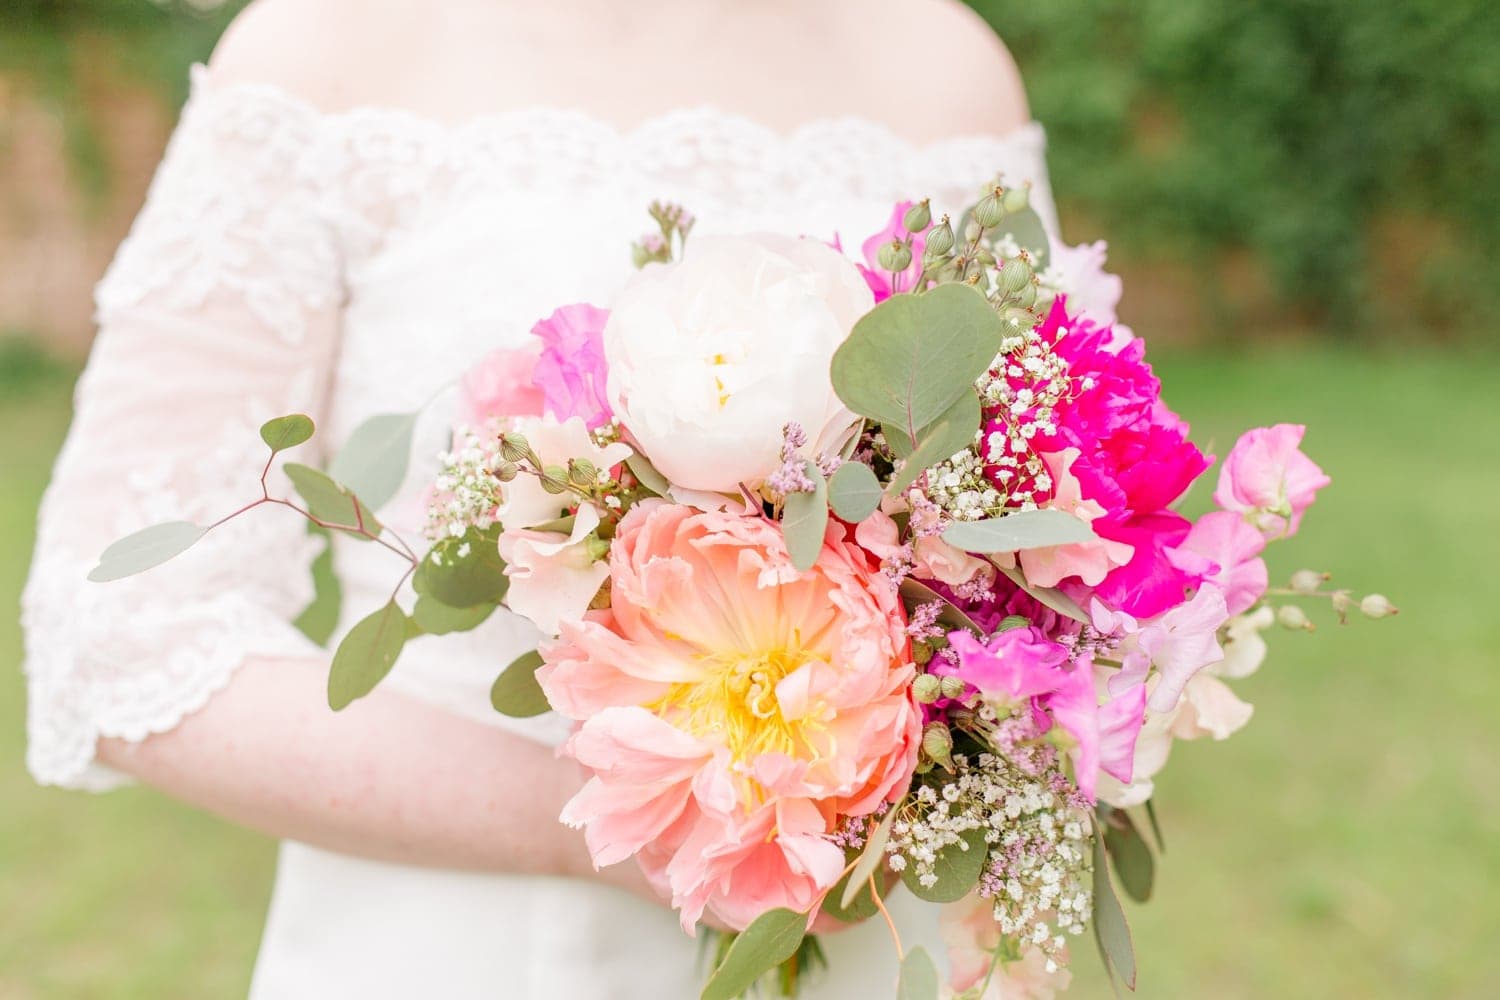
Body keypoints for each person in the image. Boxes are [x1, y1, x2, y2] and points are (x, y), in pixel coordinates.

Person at [20, 1, 1059, 995]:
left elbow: (1063, 543)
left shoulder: (948, 68)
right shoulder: (322, 54)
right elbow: (119, 634)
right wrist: (625, 820)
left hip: (878, 944)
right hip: (455, 944)